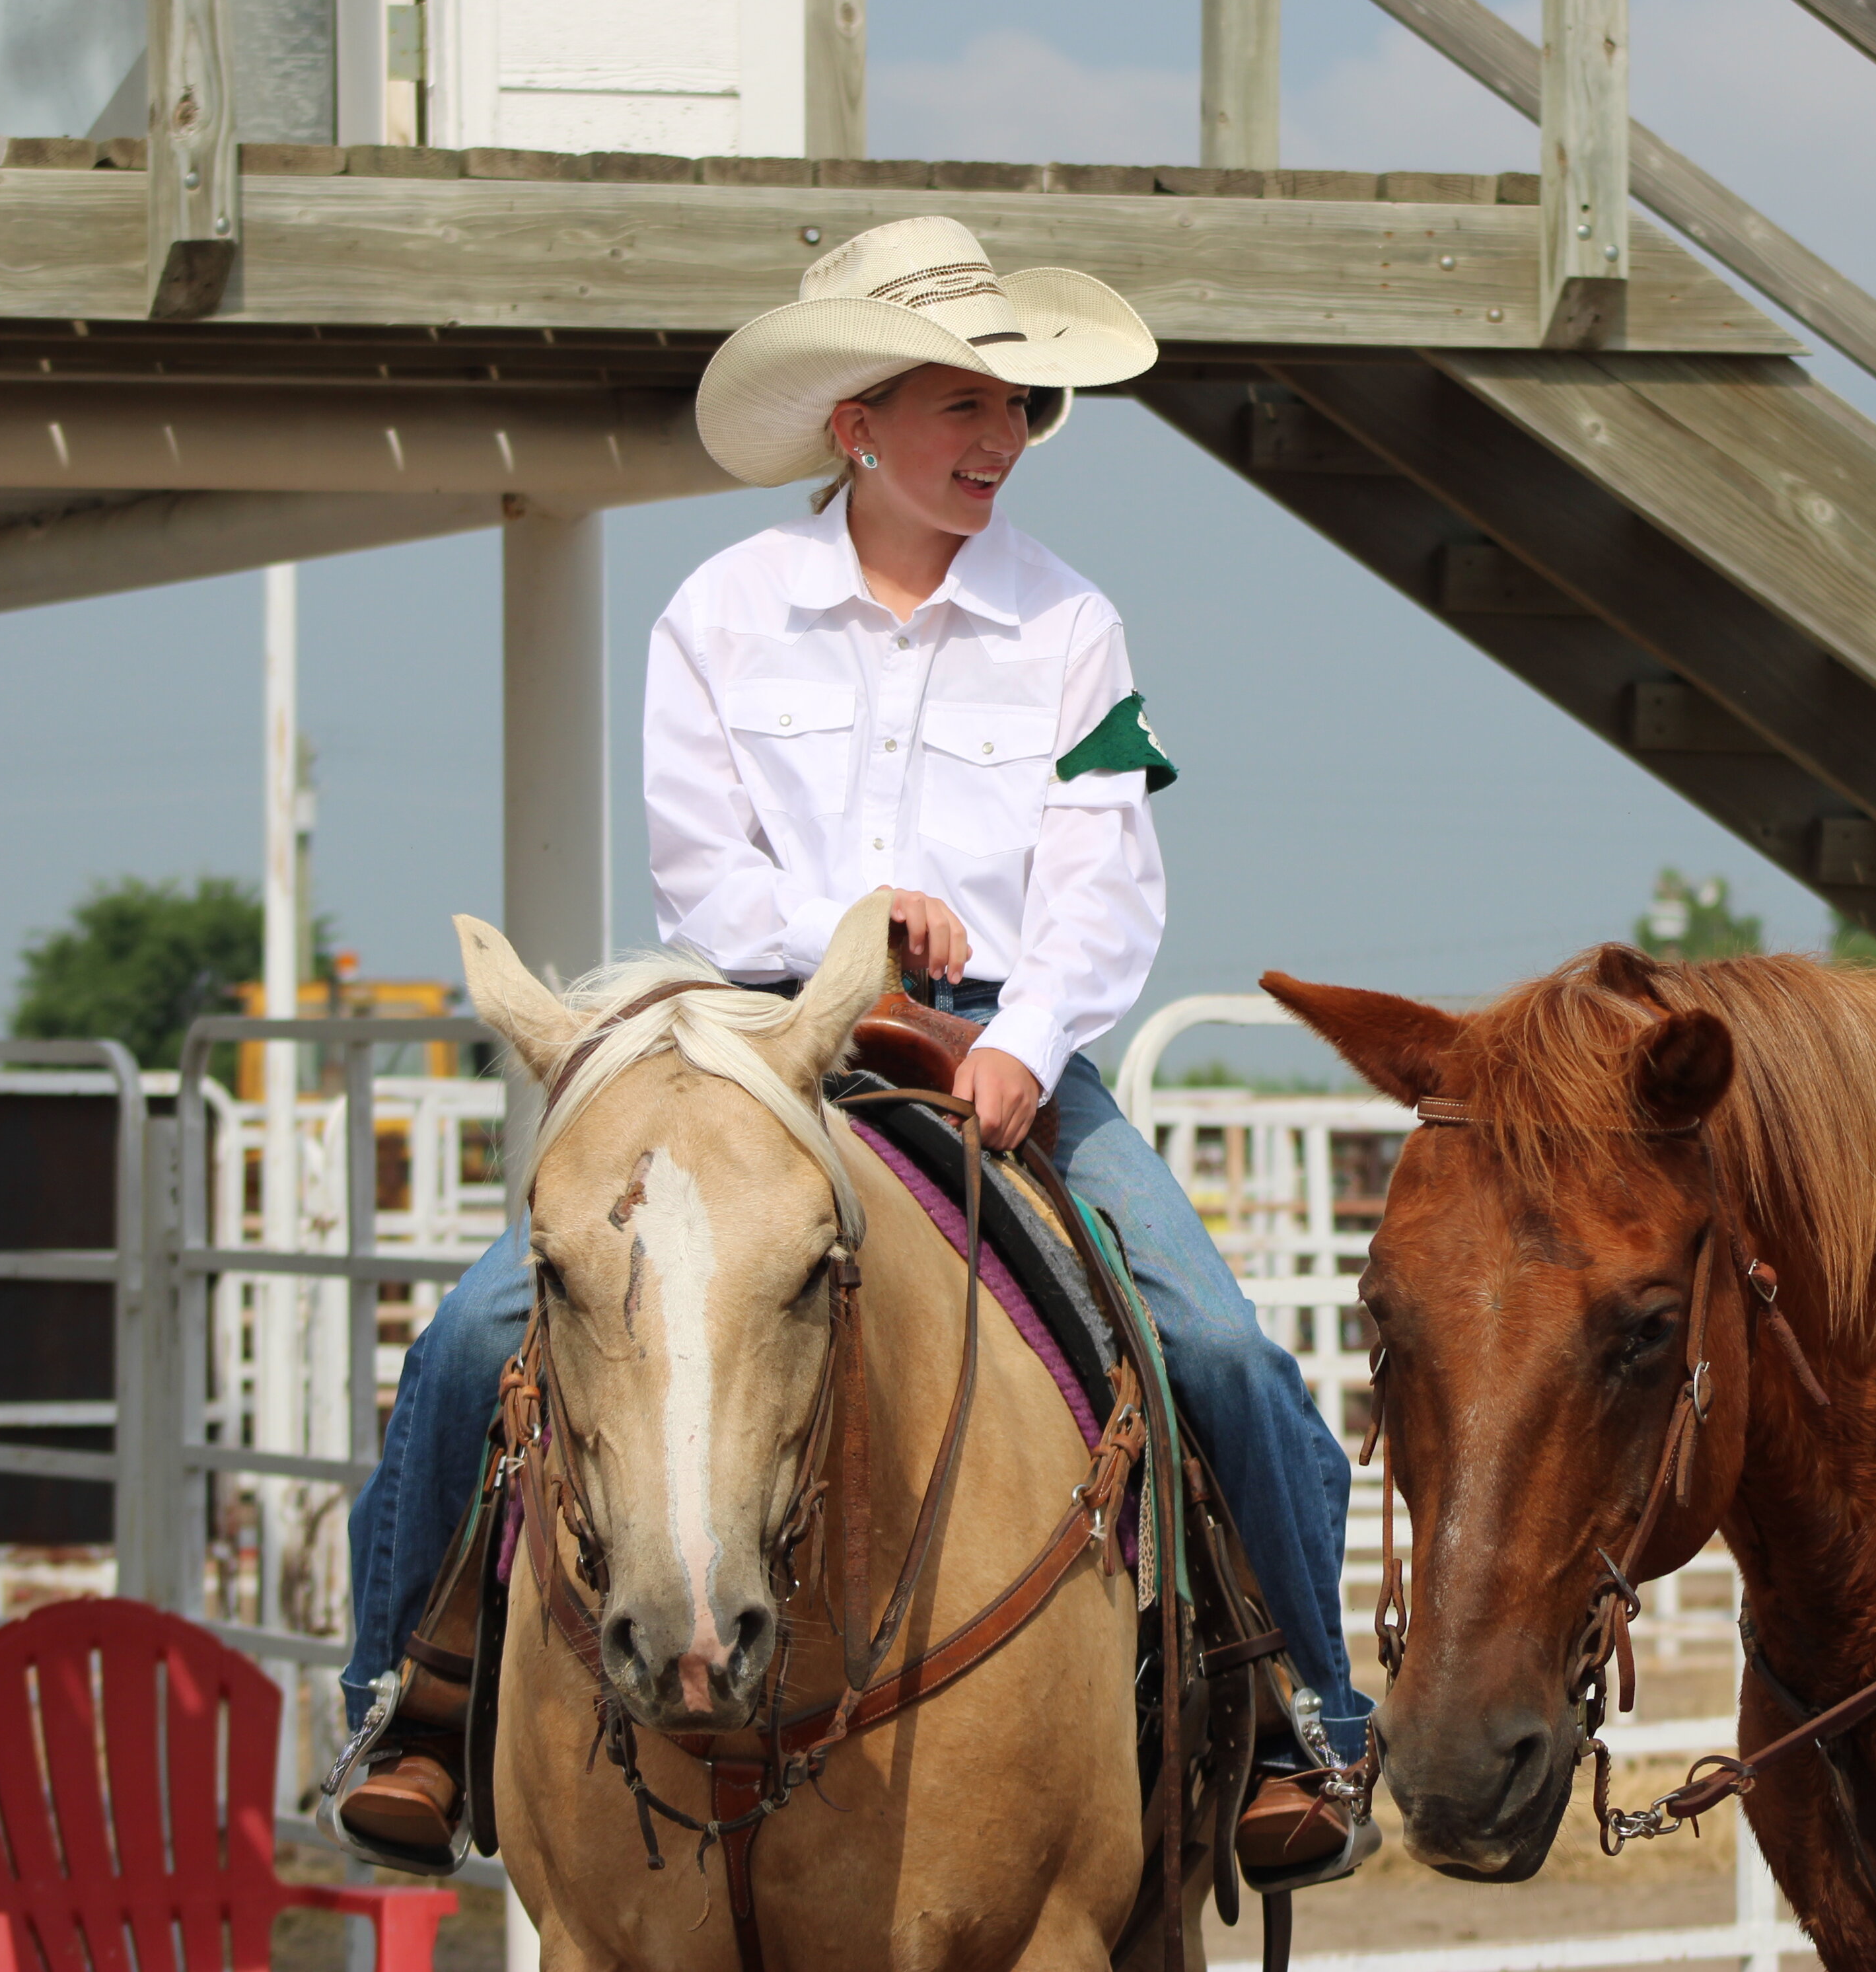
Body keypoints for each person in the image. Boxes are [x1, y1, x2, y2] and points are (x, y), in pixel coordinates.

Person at [334, 217, 1372, 1883]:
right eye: (958, 402)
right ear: (854, 425)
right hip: (757, 1041)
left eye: (1018, 407)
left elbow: (1106, 870)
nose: (997, 439)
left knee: (1226, 1350)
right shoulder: (719, 611)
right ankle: (411, 1696)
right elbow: (702, 867)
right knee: (475, 1332)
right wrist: (858, 936)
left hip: (999, 1058)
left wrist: (1028, 1040)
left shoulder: (1076, 626)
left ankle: (1305, 1711)